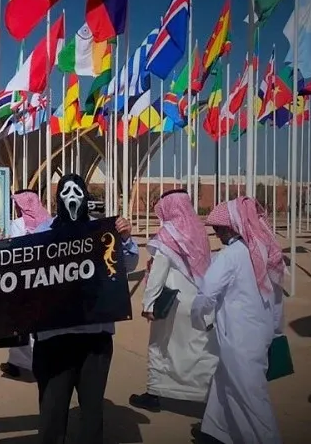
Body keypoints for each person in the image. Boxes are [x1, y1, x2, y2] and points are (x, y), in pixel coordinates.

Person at [31, 174, 139, 444]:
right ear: (58, 198)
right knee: (52, 410)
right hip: (54, 338)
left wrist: (124, 237)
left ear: (85, 196)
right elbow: (21, 269)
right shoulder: (43, 230)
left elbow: (128, 264)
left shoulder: (102, 231)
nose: (71, 196)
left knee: (91, 410)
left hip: (94, 337)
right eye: (65, 191)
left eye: (77, 190)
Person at [192, 197, 285, 444]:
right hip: (260, 333)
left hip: (238, 338)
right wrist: (275, 329)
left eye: (219, 229)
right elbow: (277, 296)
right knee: (224, 383)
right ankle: (215, 433)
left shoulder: (230, 255)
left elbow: (207, 292)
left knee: (251, 399)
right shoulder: (266, 250)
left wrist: (197, 318)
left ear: (232, 226)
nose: (217, 234)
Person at [130, 189, 218, 412]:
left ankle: (153, 393)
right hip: (197, 300)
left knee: (159, 347)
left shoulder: (169, 233)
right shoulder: (198, 229)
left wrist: (148, 304)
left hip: (170, 302)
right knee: (199, 350)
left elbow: (159, 271)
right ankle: (210, 398)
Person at [0, 190, 51, 379]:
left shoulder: (17, 225)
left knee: (23, 325)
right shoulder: (50, 222)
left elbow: (13, 250)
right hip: (44, 281)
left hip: (23, 281)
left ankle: (21, 364)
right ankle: (26, 363)